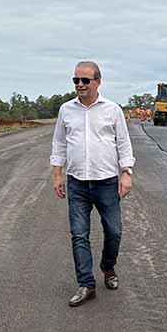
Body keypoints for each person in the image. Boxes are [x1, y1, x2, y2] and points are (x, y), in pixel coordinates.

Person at [51, 61, 134, 307]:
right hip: (77, 183)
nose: (79, 84)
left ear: (98, 82)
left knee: (114, 231)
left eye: (85, 80)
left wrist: (126, 172)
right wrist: (57, 174)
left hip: (106, 182)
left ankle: (108, 267)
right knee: (79, 234)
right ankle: (86, 284)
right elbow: (59, 143)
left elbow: (123, 143)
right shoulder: (66, 110)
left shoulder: (112, 110)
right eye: (76, 80)